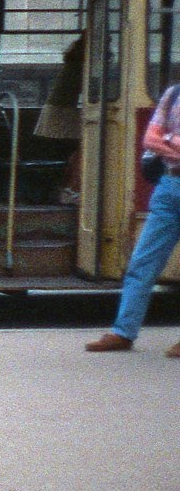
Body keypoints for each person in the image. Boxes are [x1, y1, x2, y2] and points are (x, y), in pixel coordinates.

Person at [86, 82, 180, 357]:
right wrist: (169, 142)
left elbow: (160, 139)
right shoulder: (174, 93)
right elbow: (150, 139)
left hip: (169, 183)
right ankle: (123, 332)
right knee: (142, 262)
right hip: (169, 187)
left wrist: (168, 141)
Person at [34, 34, 86, 204]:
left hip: (59, 112)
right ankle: (71, 189)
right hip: (60, 114)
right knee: (85, 149)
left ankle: (70, 187)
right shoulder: (82, 65)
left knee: (81, 148)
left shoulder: (74, 62)